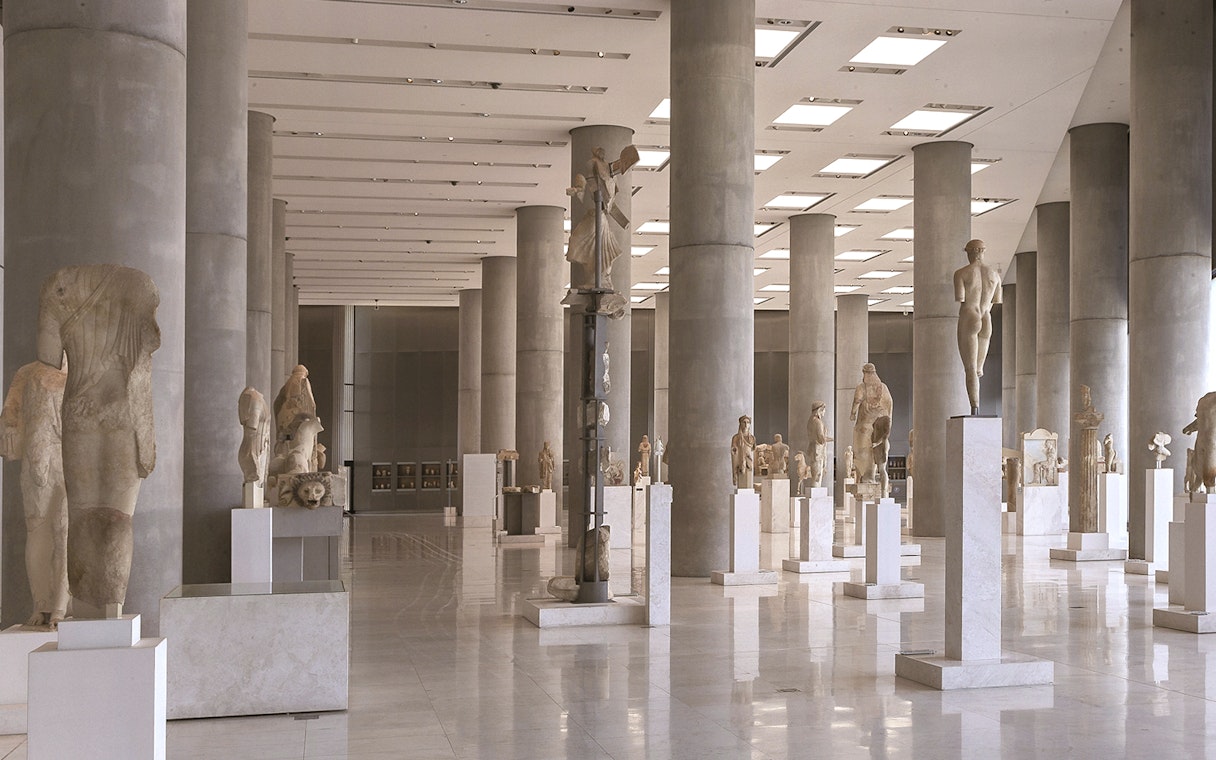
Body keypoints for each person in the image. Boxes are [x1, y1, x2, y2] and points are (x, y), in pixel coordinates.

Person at [38, 265, 160, 617]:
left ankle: (84, 608)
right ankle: (111, 609)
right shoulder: (141, 284)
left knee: (81, 515)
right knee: (119, 517)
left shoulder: (56, 285)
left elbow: (48, 354)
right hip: (123, 408)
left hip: (79, 408)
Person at [953, 239, 1002, 414]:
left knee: (971, 369)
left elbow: (961, 297)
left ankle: (975, 406)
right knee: (979, 368)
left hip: (970, 315)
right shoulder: (995, 275)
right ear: (983, 251)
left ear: (969, 252)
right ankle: (976, 408)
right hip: (986, 317)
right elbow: (996, 300)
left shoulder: (962, 273)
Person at [850, 363, 893, 485]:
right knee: (877, 457)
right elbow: (889, 406)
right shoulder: (883, 387)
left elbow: (857, 401)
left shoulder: (862, 387)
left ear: (865, 374)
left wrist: (852, 414)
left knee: (863, 453)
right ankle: (874, 480)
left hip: (865, 426)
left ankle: (866, 478)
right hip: (879, 428)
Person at [806, 401, 832, 487]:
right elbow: (821, 439)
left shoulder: (810, 421)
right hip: (818, 450)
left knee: (815, 472)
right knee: (817, 474)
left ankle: (815, 490)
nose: (824, 412)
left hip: (812, 448)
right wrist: (832, 439)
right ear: (820, 410)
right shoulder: (818, 422)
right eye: (824, 410)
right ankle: (816, 490)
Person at [730, 415, 756, 489]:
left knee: (749, 474)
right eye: (744, 422)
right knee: (741, 473)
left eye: (748, 422)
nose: (746, 424)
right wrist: (736, 450)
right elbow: (734, 451)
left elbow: (753, 449)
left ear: (750, 424)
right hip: (740, 460)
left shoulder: (752, 438)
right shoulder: (736, 437)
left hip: (749, 460)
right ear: (740, 424)